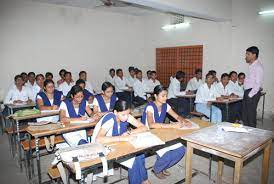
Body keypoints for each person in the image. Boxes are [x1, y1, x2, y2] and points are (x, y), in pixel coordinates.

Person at [92, 100, 150, 184]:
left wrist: (130, 132)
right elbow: (98, 139)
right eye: (123, 114)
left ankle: (144, 180)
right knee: (133, 159)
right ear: (115, 112)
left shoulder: (125, 115)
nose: (126, 117)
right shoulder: (110, 119)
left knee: (140, 154)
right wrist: (123, 138)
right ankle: (142, 180)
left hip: (116, 143)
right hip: (102, 146)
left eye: (128, 114)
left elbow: (144, 127)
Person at [141, 85, 190, 179]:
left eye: (166, 96)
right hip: (149, 134)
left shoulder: (165, 105)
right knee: (166, 154)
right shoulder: (150, 107)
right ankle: (157, 169)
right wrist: (172, 126)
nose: (165, 98)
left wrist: (184, 120)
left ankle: (163, 166)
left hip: (160, 132)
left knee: (181, 150)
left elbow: (176, 116)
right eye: (162, 96)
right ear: (155, 96)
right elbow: (151, 125)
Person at [242, 46, 263, 127]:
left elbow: (258, 83)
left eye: (248, 54)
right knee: (245, 115)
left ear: (254, 55)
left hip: (252, 93)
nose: (246, 56)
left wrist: (250, 95)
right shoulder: (252, 66)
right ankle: (247, 134)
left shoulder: (258, 66)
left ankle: (253, 136)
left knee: (250, 116)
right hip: (248, 92)